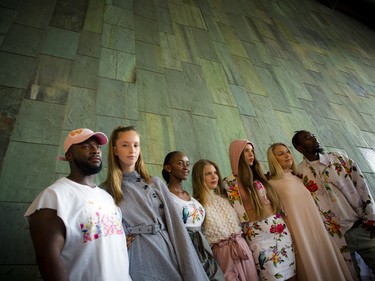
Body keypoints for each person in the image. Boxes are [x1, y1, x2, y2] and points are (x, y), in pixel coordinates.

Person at [102, 126, 209, 281]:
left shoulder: (155, 183)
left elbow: (177, 226)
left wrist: (193, 273)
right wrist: (118, 242)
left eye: (136, 145)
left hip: (165, 248)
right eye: (125, 145)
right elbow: (103, 231)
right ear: (115, 150)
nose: (132, 150)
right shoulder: (105, 190)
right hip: (136, 255)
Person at [24, 128, 132, 281]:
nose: (95, 151)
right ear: (69, 156)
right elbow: (47, 260)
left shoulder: (107, 197)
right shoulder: (53, 198)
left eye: (98, 147)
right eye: (86, 146)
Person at [292, 130, 375, 279]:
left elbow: (361, 184)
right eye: (308, 138)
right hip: (336, 238)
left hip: (362, 227)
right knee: (349, 276)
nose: (314, 138)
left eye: (312, 135)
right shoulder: (300, 173)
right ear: (299, 148)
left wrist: (372, 216)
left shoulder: (338, 159)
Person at [267, 142, 354, 281]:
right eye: (280, 153)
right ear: (273, 159)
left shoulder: (299, 177)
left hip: (317, 228)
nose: (287, 155)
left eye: (287, 151)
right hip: (298, 233)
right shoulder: (271, 184)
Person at [223, 139, 296, 281]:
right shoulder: (229, 183)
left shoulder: (259, 175)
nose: (251, 154)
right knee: (273, 276)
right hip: (257, 235)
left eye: (252, 151)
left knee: (292, 275)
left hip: (278, 229)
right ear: (236, 154)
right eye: (246, 151)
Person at [162, 151, 225, 281]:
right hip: (186, 249)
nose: (186, 168)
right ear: (168, 168)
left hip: (204, 248)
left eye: (187, 164)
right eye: (180, 163)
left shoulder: (189, 196)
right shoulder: (166, 197)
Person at [192, 159, 258, 281]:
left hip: (241, 245)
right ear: (199, 177)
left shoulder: (226, 198)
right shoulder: (196, 205)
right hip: (222, 253)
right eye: (208, 174)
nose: (214, 177)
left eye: (215, 172)